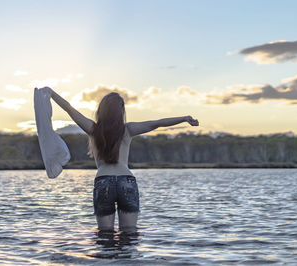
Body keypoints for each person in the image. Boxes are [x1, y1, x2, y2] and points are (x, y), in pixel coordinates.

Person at [42, 87, 199, 231]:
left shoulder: (92, 128)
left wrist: (51, 93)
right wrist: (185, 118)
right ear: (121, 111)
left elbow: (70, 109)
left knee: (105, 236)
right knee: (129, 236)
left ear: (101, 110)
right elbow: (157, 123)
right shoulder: (128, 130)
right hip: (126, 181)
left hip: (103, 181)